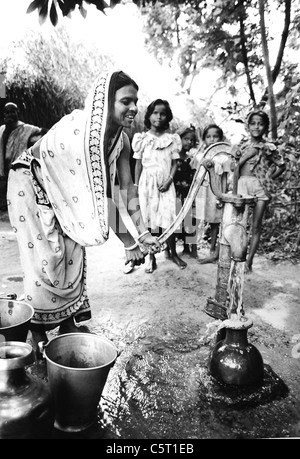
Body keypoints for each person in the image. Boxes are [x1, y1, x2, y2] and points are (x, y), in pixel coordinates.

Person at [7, 70, 161, 350]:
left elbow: (126, 188)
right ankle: (38, 331)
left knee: (73, 251)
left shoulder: (121, 140)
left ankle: (67, 322)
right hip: (29, 183)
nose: (134, 108)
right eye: (126, 101)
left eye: (135, 101)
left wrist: (144, 234)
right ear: (105, 101)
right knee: (45, 257)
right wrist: (128, 241)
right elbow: (100, 196)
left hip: (63, 193)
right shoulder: (80, 132)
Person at [132, 98, 186, 273]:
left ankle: (173, 253)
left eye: (163, 113)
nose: (159, 116)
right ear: (149, 115)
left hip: (166, 182)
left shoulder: (171, 139)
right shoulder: (142, 139)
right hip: (147, 183)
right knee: (149, 218)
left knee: (168, 217)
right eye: (155, 113)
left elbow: (175, 163)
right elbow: (138, 164)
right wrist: (135, 184)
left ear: (167, 116)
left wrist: (169, 179)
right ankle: (151, 257)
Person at [236, 109, 285, 273]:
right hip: (242, 187)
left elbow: (282, 165)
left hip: (260, 188)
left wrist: (270, 177)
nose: (257, 127)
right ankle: (238, 257)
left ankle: (249, 262)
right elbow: (234, 168)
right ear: (248, 126)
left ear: (265, 127)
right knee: (239, 224)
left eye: (261, 124)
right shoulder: (242, 146)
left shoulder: (269, 147)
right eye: (253, 123)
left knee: (256, 226)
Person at [191, 124, 231, 264]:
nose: (212, 139)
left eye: (215, 136)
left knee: (215, 221)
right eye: (208, 136)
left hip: (215, 191)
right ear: (204, 139)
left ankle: (212, 250)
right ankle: (193, 249)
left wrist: (222, 195)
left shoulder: (224, 158)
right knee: (195, 219)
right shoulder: (200, 156)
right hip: (201, 191)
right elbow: (195, 176)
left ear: (221, 138)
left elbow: (225, 178)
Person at [0, 102, 43, 210]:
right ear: (4, 114)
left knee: (19, 204)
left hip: (18, 171)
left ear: (17, 113)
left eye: (12, 112)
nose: (9, 115)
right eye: (7, 112)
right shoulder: (1, 130)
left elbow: (43, 132)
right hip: (3, 172)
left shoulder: (27, 128)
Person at [173, 125, 198, 258]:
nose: (189, 142)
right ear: (179, 139)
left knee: (190, 221)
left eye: (192, 140)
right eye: (186, 139)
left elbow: (194, 177)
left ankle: (190, 248)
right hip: (175, 193)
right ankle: (169, 250)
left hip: (188, 194)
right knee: (174, 221)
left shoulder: (191, 159)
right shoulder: (173, 158)